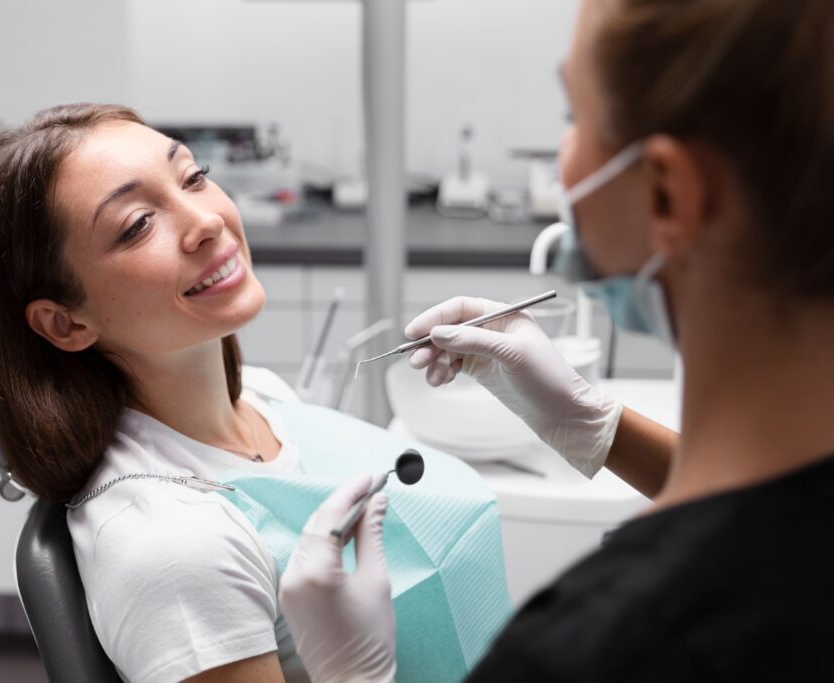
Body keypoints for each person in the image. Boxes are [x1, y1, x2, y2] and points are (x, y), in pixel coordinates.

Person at [279, 0, 834, 680]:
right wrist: (593, 425)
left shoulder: (604, 649)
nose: (564, 156)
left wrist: (355, 675)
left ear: (666, 196)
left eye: (574, 118)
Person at [0, 104, 303, 682]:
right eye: (138, 223)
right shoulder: (174, 549)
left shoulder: (267, 398)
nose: (207, 222)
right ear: (66, 323)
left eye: (193, 176)